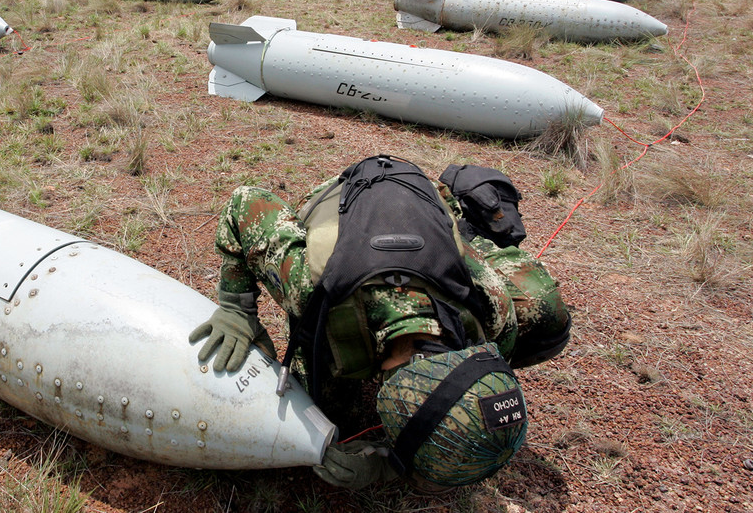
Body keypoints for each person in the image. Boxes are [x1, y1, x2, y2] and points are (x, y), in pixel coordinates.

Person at [189, 155, 571, 492]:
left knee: (546, 318)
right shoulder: (314, 287)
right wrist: (237, 308)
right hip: (344, 204)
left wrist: (387, 463)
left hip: (422, 204)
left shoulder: (492, 315)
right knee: (325, 408)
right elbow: (245, 201)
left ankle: (467, 223)